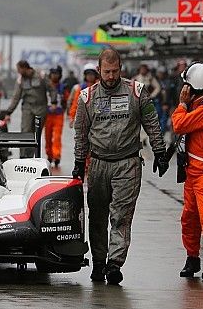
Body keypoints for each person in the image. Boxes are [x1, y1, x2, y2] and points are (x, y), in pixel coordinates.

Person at [72, 48, 168, 284]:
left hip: (128, 163)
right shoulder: (86, 97)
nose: (111, 76)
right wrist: (77, 163)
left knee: (121, 216)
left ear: (121, 69)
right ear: (98, 71)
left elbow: (152, 122)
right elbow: (80, 133)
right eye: (107, 72)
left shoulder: (137, 92)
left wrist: (159, 151)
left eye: (115, 71)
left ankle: (114, 264)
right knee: (97, 217)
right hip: (98, 164)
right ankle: (99, 262)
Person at [171, 62, 203, 281]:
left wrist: (181, 104)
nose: (184, 90)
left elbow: (179, 125)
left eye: (186, 87)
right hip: (193, 172)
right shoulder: (201, 106)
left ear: (193, 88)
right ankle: (192, 257)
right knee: (189, 218)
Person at [2, 60, 56, 157]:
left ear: (24, 68)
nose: (18, 72)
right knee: (25, 132)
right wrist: (8, 113)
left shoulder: (41, 75)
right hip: (27, 108)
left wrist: (54, 102)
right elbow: (16, 97)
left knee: (36, 134)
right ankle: (23, 157)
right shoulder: (20, 80)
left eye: (19, 69)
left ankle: (32, 157)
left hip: (41, 108)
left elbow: (51, 88)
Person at [44, 66, 68, 168]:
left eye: (56, 73)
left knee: (57, 136)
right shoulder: (46, 86)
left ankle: (56, 156)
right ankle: (49, 155)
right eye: (53, 73)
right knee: (48, 136)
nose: (54, 76)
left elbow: (67, 99)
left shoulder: (63, 87)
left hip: (58, 115)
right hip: (47, 115)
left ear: (60, 75)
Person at [68, 63, 99, 127]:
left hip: (97, 118)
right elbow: (76, 104)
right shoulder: (81, 88)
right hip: (84, 119)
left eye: (92, 74)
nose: (90, 76)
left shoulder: (100, 87)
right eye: (88, 74)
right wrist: (72, 117)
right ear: (85, 75)